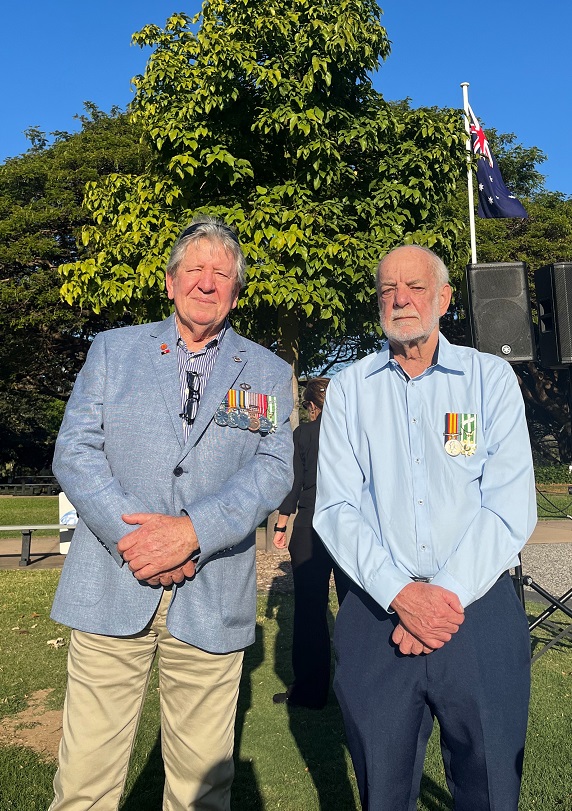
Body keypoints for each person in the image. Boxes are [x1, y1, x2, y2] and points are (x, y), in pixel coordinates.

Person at [49, 216, 294, 811]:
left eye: (222, 274)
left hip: (210, 591)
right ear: (170, 281)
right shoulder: (113, 350)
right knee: (84, 782)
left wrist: (192, 532)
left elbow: (273, 469)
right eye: (195, 269)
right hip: (111, 582)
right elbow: (74, 450)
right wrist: (133, 538)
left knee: (202, 790)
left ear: (237, 290)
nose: (206, 283)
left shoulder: (266, 370)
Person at [313, 244, 536, 811]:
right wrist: (403, 595)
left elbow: (509, 506)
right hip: (377, 617)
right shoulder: (349, 390)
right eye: (388, 290)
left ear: (444, 298)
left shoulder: (490, 381)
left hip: (479, 612)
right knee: (382, 790)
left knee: (489, 787)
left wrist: (441, 599)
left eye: (415, 288)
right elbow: (336, 509)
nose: (400, 300)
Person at [272, 378, 350, 709]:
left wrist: (281, 523)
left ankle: (310, 691)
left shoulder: (303, 435)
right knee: (355, 607)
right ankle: (358, 685)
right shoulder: (355, 434)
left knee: (310, 610)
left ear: (312, 406)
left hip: (309, 525)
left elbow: (295, 482)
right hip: (351, 526)